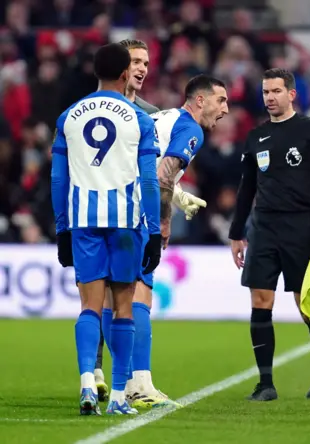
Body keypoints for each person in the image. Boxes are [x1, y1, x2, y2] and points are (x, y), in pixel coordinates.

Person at [51, 43, 162, 415]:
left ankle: (86, 384)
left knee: (89, 307)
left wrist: (62, 229)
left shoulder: (69, 116)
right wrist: (156, 231)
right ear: (124, 74)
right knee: (124, 308)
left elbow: (57, 179)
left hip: (83, 221)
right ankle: (117, 397)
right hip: (126, 224)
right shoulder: (139, 119)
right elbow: (148, 181)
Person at [229, 68, 310, 401]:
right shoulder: (256, 136)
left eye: (276, 91)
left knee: (305, 305)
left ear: (292, 94)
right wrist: (237, 233)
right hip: (263, 227)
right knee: (260, 300)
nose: (269, 98)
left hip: (303, 226)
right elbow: (246, 186)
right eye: (265, 92)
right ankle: (265, 383)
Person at [121, 74, 228, 409]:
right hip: (137, 212)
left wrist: (179, 195)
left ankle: (110, 381)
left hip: (109, 205)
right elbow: (163, 173)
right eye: (220, 100)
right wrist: (163, 221)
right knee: (140, 294)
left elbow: (144, 162)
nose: (225, 109)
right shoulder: (190, 128)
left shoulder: (163, 117)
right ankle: (139, 383)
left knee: (116, 297)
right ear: (200, 101)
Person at [93, 38, 161, 403]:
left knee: (125, 296)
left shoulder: (152, 114)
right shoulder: (88, 109)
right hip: (96, 213)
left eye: (146, 63)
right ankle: (96, 371)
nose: (141, 68)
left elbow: (156, 173)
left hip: (133, 219)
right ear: (120, 67)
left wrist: (161, 216)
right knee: (97, 296)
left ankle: (129, 381)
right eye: (135, 61)